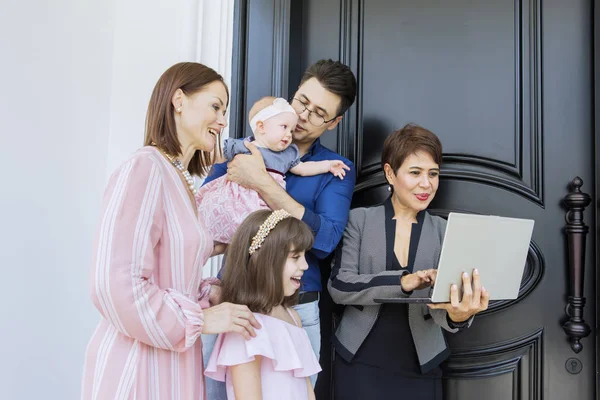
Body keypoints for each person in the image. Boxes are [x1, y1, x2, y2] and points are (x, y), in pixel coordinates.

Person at [81, 62, 262, 399]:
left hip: (174, 365)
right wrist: (201, 321)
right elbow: (113, 284)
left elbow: (174, 280)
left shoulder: (180, 180)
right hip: (138, 368)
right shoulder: (145, 167)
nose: (223, 122)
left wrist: (210, 297)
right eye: (215, 106)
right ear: (179, 100)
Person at [202, 59, 357, 393]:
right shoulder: (245, 148)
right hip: (234, 299)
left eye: (319, 113)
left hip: (296, 308)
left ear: (334, 122)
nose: (303, 116)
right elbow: (203, 215)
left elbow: (326, 239)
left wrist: (261, 182)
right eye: (302, 101)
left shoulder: (334, 169)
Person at [328, 124, 490, 399]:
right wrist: (403, 281)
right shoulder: (359, 220)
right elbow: (340, 287)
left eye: (433, 174)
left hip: (422, 364)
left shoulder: (445, 231)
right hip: (359, 361)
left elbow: (446, 306)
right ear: (390, 173)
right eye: (415, 173)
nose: (426, 184)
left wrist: (459, 316)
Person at [195, 96, 349, 244]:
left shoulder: (288, 154)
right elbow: (216, 155)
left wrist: (328, 165)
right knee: (211, 218)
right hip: (237, 199)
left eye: (291, 129)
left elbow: (303, 168)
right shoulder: (245, 145)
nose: (289, 134)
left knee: (265, 228)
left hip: (263, 205)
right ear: (261, 127)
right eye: (284, 127)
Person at [205, 209, 321, 400]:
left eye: (304, 256)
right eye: (295, 257)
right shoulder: (245, 325)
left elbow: (307, 388)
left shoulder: (293, 317)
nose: (305, 265)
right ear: (265, 261)